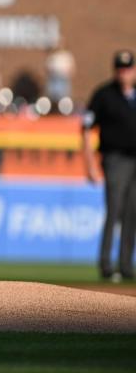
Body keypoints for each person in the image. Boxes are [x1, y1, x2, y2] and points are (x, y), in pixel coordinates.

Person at [82, 50, 136, 282]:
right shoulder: (104, 95)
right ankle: (106, 265)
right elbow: (85, 128)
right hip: (115, 159)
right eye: (120, 69)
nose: (123, 74)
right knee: (114, 210)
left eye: (128, 69)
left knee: (132, 212)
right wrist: (90, 164)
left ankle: (125, 266)